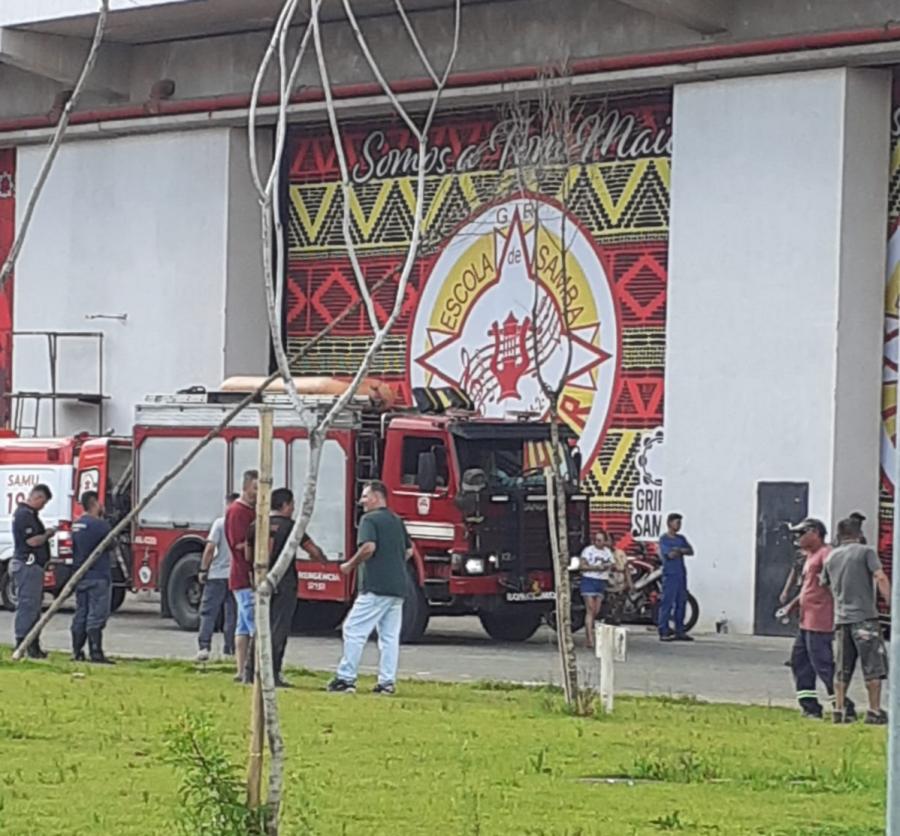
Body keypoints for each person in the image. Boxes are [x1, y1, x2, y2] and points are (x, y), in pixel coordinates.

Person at [327, 480, 412, 695]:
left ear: (376, 497)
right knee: (389, 636)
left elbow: (368, 547)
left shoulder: (369, 520)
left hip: (376, 586)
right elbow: (408, 551)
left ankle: (346, 678)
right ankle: (387, 682)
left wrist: (350, 564)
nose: (361, 501)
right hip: (398, 586)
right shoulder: (396, 520)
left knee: (353, 629)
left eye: (365, 496)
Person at [247, 488, 326, 687]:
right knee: (278, 628)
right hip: (284, 582)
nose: (293, 509)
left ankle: (250, 670)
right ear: (284, 505)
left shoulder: (256, 525)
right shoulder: (291, 526)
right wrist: (322, 559)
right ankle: (272, 673)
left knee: (260, 626)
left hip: (261, 580)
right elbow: (311, 549)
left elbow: (248, 555)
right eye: (291, 505)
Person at [781, 519, 853, 719]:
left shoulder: (826, 554)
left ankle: (843, 705)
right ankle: (810, 706)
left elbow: (834, 584)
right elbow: (808, 588)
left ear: (814, 533)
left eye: (801, 533)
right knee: (800, 662)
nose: (797, 538)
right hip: (806, 620)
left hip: (820, 620)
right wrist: (792, 605)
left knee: (823, 664)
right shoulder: (810, 556)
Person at [822, 517, 891, 724]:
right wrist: (890, 603)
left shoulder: (831, 557)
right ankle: (874, 710)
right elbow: (880, 577)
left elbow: (824, 584)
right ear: (858, 533)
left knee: (842, 667)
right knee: (872, 667)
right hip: (865, 619)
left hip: (842, 619)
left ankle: (839, 710)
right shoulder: (866, 552)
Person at [10, 484, 56, 658]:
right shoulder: (24, 516)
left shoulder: (30, 515)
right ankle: (23, 643)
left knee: (34, 607)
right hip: (27, 565)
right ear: (37, 498)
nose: (43, 506)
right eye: (43, 502)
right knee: (28, 605)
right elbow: (32, 541)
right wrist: (48, 535)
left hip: (33, 566)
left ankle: (33, 644)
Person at [70, 491, 115, 664]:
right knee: (96, 614)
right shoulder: (100, 525)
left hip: (81, 575)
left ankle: (76, 650)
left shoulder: (77, 525)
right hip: (98, 575)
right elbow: (112, 544)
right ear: (95, 503)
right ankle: (95, 651)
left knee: (81, 612)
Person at [195, 493, 239, 663]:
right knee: (232, 614)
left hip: (216, 575)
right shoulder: (243, 524)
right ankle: (230, 649)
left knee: (208, 612)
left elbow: (210, 548)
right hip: (235, 576)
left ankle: (204, 647)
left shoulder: (220, 523)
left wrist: (203, 569)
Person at [226, 469, 258, 683]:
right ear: (246, 487)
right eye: (255, 488)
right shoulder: (238, 512)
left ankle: (241, 669)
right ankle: (252, 669)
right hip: (244, 576)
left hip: (244, 575)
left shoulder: (251, 511)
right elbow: (239, 544)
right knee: (253, 622)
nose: (259, 493)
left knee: (243, 625)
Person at [657, 512, 694, 642]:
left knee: (681, 602)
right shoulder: (664, 539)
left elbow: (690, 551)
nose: (679, 525)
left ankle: (680, 630)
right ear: (669, 523)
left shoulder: (681, 538)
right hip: (670, 574)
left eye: (680, 523)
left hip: (681, 574)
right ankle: (664, 631)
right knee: (667, 603)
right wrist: (679, 551)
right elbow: (669, 555)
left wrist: (679, 550)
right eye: (676, 522)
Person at [579, 530, 613, 650]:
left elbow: (611, 564)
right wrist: (595, 567)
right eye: (596, 540)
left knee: (596, 610)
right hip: (589, 580)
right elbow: (582, 566)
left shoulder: (607, 552)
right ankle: (589, 639)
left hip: (601, 581)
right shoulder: (588, 551)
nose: (598, 542)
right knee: (590, 608)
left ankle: (590, 632)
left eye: (600, 540)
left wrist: (606, 567)